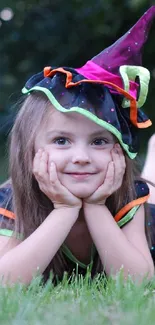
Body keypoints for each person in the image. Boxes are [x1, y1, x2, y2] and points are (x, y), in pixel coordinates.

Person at [0, 6, 155, 286]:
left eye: (99, 141)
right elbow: (3, 282)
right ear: (29, 150)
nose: (81, 157)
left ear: (120, 148)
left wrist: (96, 206)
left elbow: (139, 284)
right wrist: (64, 210)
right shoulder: (13, 198)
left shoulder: (129, 197)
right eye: (61, 141)